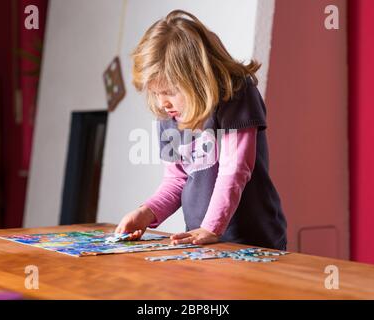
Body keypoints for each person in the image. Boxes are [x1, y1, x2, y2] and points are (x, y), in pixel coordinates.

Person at [115, 9, 287, 249]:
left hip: (252, 239)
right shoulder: (169, 113)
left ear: (197, 79)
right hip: (202, 239)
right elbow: (177, 180)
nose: (162, 102)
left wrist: (211, 227)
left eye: (169, 91)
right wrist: (146, 212)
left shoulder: (236, 93)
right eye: (155, 93)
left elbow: (235, 169)